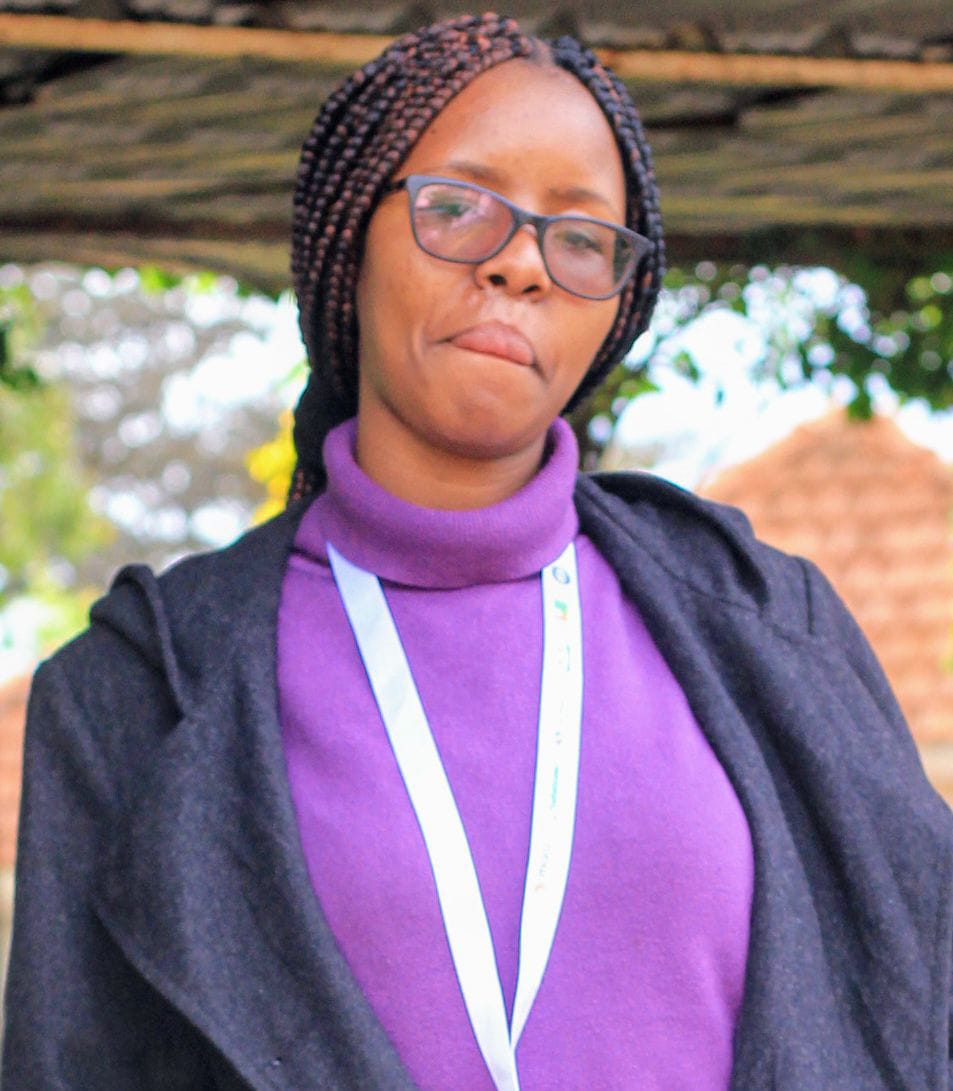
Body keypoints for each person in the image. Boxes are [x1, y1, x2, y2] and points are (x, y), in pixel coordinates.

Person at [3, 12, 951, 1091]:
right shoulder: (136, 694)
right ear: (344, 240)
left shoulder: (775, 629)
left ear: (615, 304)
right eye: (457, 206)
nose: (518, 263)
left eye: (579, 237)